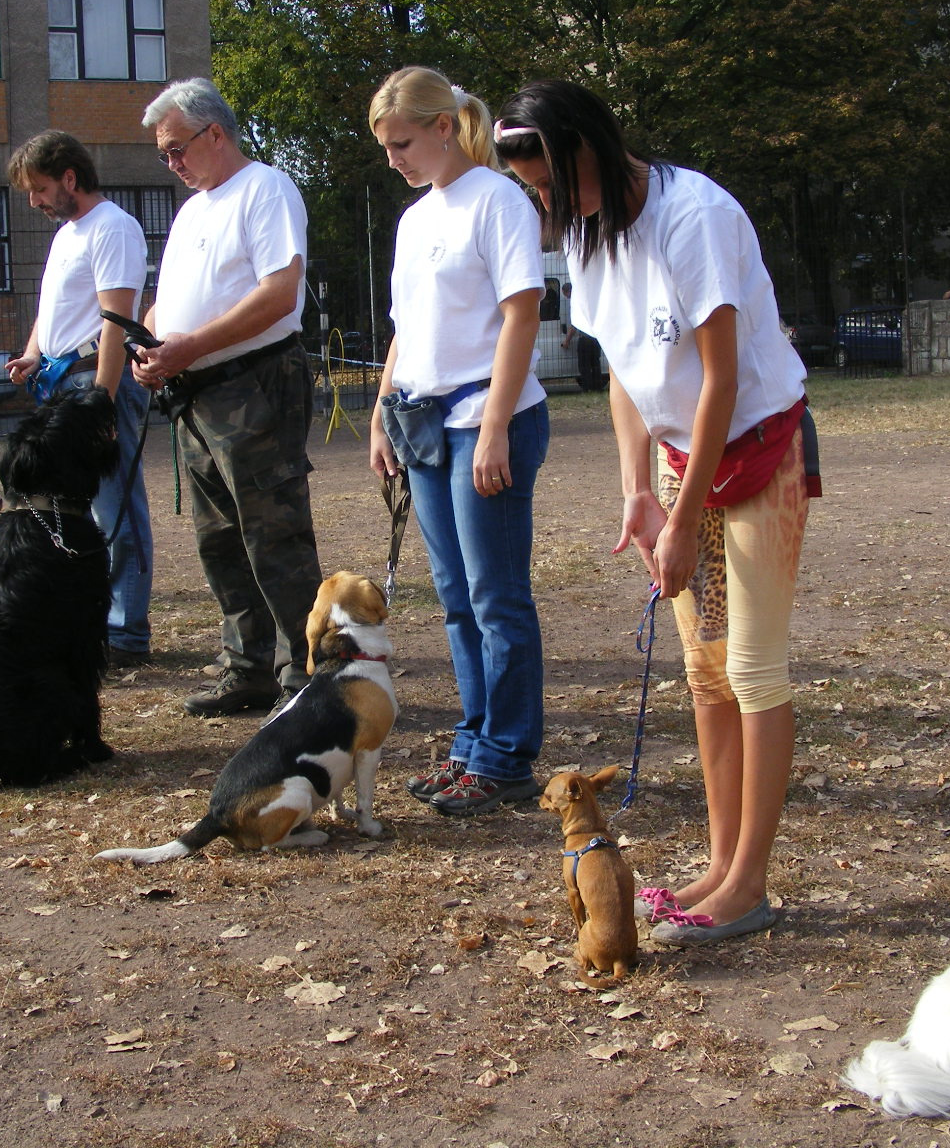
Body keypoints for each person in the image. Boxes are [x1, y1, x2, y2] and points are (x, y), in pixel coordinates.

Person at [495, 79, 815, 941]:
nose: (547, 204)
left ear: (587, 149)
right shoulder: (593, 239)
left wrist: (684, 520)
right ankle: (719, 862)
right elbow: (629, 376)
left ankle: (749, 883)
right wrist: (639, 491)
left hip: (755, 449)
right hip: (682, 464)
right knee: (705, 673)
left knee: (752, 670)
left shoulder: (694, 217)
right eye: (534, 192)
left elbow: (718, 382)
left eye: (551, 186)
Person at [367, 66, 548, 816]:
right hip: (425, 423)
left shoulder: (498, 200)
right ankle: (474, 743)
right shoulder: (416, 219)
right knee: (453, 598)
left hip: (487, 421)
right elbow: (407, 331)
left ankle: (507, 756)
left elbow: (522, 314)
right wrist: (380, 413)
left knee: (494, 595)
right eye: (384, 148)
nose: (395, 160)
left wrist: (497, 426)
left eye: (403, 142)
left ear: (445, 127)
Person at [134, 79, 322, 715]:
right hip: (198, 391)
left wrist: (187, 347)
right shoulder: (193, 211)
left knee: (275, 534)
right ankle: (247, 668)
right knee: (220, 539)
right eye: (164, 155)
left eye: (177, 148)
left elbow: (279, 292)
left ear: (216, 133)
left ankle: (306, 675)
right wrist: (153, 347)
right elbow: (171, 298)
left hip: (256, 384)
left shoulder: (265, 189)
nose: (173, 163)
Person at [5, 130, 154, 669]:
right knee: (71, 510)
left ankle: (126, 634)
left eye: (40, 188)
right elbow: (56, 313)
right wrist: (31, 354)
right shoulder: (70, 232)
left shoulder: (112, 227)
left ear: (70, 178)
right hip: (62, 383)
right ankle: (92, 620)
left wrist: (103, 402)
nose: (35, 201)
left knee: (116, 510)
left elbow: (117, 319)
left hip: (94, 384)